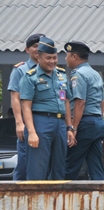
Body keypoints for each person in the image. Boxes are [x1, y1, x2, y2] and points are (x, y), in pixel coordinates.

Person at [18, 37, 74, 180]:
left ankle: (56, 200)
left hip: (60, 124)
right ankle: (34, 200)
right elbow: (26, 106)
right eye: (48, 58)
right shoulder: (30, 77)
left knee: (59, 167)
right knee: (37, 168)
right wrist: (31, 132)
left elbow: (66, 101)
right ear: (38, 57)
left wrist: (69, 128)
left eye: (54, 58)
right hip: (40, 122)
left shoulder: (61, 75)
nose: (52, 61)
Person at [64, 41, 104, 180]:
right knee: (95, 166)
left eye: (67, 55)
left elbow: (80, 102)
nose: (65, 59)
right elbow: (102, 102)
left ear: (74, 57)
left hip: (85, 122)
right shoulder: (95, 74)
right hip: (97, 122)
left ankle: (62, 196)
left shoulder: (79, 74)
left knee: (70, 163)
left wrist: (73, 128)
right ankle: (100, 196)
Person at [8, 33, 44, 181]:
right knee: (23, 164)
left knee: (43, 165)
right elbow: (15, 97)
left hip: (45, 122)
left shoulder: (52, 70)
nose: (38, 49)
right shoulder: (20, 70)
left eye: (41, 46)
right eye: (35, 46)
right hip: (28, 122)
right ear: (27, 50)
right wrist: (19, 123)